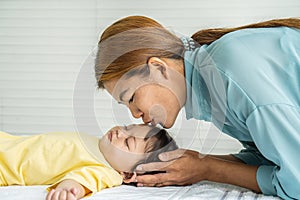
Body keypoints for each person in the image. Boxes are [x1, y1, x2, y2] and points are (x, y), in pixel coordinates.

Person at [94, 15, 300, 199]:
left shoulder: (228, 74)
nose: (135, 115)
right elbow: (267, 157)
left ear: (158, 68)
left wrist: (207, 169)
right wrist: (194, 161)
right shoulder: (211, 87)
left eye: (131, 98)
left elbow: (296, 182)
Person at [0, 124, 178, 200]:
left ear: (128, 174)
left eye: (127, 142)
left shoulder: (107, 171)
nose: (120, 133)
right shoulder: (98, 146)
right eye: (126, 127)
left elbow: (81, 180)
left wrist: (67, 190)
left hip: (6, 168)